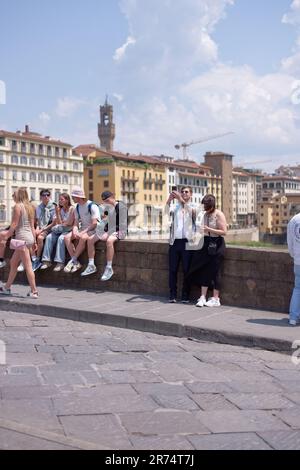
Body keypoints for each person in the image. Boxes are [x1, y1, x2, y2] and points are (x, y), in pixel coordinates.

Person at [187, 194, 227, 308]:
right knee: (204, 269)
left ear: (212, 205)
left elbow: (224, 232)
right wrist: (201, 231)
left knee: (216, 271)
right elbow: (204, 229)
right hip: (207, 242)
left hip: (218, 243)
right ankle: (203, 297)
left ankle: (215, 298)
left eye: (206, 205)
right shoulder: (205, 214)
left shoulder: (219, 214)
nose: (204, 207)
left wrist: (208, 229)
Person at [0, 188, 38, 298]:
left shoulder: (18, 206)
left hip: (21, 239)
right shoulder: (30, 207)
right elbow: (32, 226)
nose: (13, 195)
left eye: (14, 194)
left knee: (28, 265)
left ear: (19, 195)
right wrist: (34, 241)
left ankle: (34, 291)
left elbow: (14, 224)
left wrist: (6, 237)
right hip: (29, 238)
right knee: (13, 262)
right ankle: (7, 287)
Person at [81, 191, 127, 281]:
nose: (106, 202)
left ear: (113, 196)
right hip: (109, 230)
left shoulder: (121, 207)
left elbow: (122, 224)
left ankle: (109, 268)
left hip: (121, 230)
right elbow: (106, 221)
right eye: (105, 201)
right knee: (90, 240)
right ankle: (91, 265)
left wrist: (108, 231)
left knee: (109, 241)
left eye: (107, 200)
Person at [166, 186, 197, 303]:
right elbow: (164, 213)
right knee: (172, 270)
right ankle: (172, 294)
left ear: (191, 194)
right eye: (182, 192)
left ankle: (185, 295)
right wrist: (169, 199)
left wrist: (180, 199)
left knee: (187, 270)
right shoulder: (175, 207)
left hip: (187, 242)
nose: (184, 193)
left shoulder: (194, 206)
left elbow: (193, 214)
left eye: (186, 192)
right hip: (174, 242)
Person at [64, 187, 100, 274]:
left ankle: (73, 260)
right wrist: (75, 231)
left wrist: (82, 232)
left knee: (83, 238)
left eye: (73, 197)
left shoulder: (92, 206)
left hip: (94, 229)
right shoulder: (77, 207)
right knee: (66, 237)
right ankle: (75, 262)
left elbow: (94, 223)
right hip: (84, 228)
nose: (72, 198)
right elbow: (76, 223)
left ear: (79, 197)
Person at [40, 193, 75, 272]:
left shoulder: (72, 208)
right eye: (59, 199)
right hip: (61, 228)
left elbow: (69, 223)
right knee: (49, 237)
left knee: (61, 238)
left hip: (69, 230)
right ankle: (46, 261)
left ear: (67, 200)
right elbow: (59, 223)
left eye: (61, 199)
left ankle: (60, 263)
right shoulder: (60, 209)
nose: (60, 201)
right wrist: (57, 212)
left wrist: (63, 223)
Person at [31, 189, 57, 272]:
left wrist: (42, 230)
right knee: (30, 237)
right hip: (42, 227)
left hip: (51, 228)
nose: (46, 197)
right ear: (40, 197)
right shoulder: (39, 207)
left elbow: (54, 223)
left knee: (40, 238)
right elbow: (38, 222)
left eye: (48, 195)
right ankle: (32, 258)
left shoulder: (54, 206)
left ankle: (38, 259)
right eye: (44, 195)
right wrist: (37, 229)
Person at [287, 212, 300, 326]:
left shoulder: (294, 220)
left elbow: (290, 244)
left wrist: (295, 255)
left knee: (297, 288)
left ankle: (293, 318)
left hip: (298, 261)